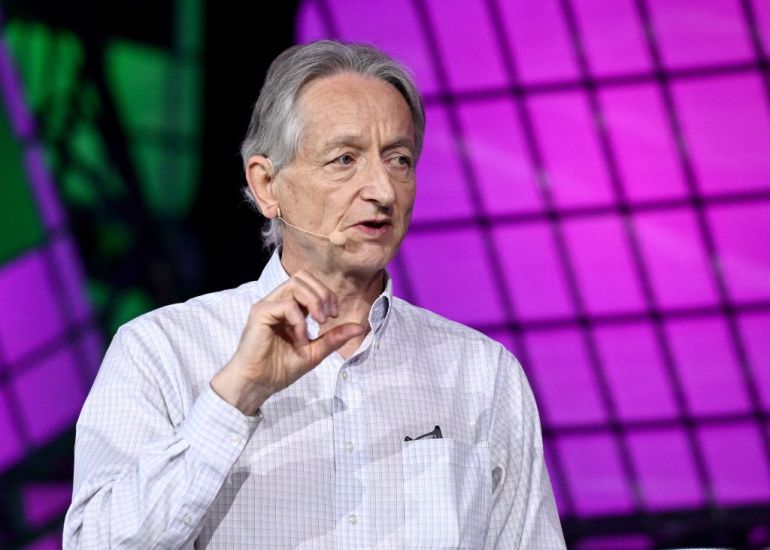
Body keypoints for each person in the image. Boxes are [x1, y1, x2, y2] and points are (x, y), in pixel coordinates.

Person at [64, 40, 565, 549]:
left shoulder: (481, 372)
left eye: (399, 159)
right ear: (266, 185)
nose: (383, 190)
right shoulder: (161, 351)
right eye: (345, 159)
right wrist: (235, 398)